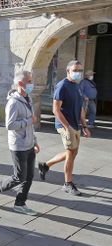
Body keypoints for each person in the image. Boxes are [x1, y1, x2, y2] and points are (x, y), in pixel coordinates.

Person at [0, 70, 40, 216]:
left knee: (29, 176)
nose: (31, 83)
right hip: (18, 145)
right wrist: (29, 121)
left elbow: (30, 124)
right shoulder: (13, 102)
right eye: (29, 81)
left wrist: (34, 141)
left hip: (29, 143)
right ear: (20, 84)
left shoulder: (28, 98)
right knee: (19, 177)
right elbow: (9, 125)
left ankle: (20, 203)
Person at [38, 60, 91, 196]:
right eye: (75, 70)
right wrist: (67, 127)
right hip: (65, 125)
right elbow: (56, 110)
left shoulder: (77, 86)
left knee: (72, 153)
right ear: (68, 71)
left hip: (75, 125)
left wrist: (84, 125)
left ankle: (45, 165)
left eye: (80, 70)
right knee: (70, 153)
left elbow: (80, 109)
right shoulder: (62, 86)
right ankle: (67, 184)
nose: (78, 73)